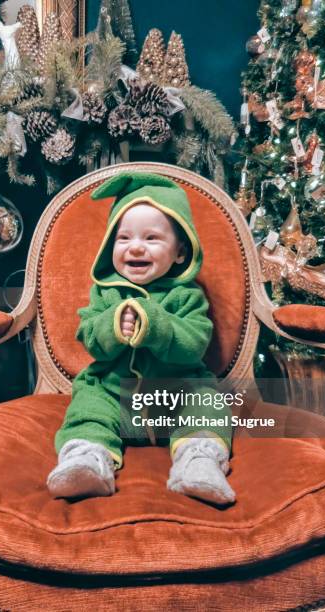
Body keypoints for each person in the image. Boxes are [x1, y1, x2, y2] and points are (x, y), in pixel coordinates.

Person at [47, 172, 235, 505]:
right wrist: (113, 325)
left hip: (175, 396)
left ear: (179, 252)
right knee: (89, 404)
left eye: (151, 238)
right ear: (110, 246)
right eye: (123, 238)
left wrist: (156, 326)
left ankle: (199, 460)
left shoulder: (187, 296)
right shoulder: (104, 294)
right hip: (114, 394)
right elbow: (88, 335)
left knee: (207, 403)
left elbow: (195, 344)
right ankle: (87, 459)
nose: (135, 246)